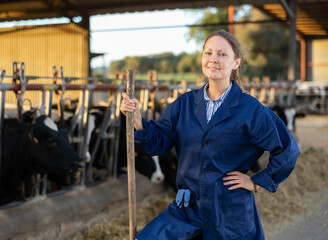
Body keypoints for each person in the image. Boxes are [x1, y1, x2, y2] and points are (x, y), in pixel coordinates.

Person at [120, 29, 300, 240]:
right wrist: (139, 121)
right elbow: (159, 142)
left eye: (222, 54)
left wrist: (256, 182)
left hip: (229, 212)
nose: (213, 59)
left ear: (236, 63)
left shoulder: (251, 109)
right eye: (208, 53)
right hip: (188, 207)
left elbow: (288, 150)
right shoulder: (184, 104)